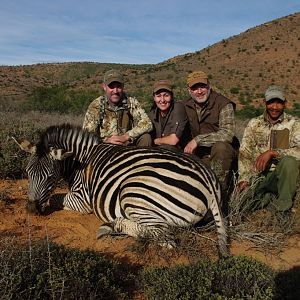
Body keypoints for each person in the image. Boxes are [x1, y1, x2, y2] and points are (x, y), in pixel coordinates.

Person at [237, 85, 300, 212]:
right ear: (264, 102)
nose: (275, 107)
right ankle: (266, 197)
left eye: (279, 103)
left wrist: (273, 152)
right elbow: (245, 153)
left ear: (285, 104)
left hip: (283, 177)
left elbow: (298, 150)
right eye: (271, 102)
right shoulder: (254, 123)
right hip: (258, 176)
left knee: (289, 161)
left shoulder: (294, 123)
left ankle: (283, 208)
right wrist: (243, 179)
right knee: (243, 206)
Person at [182, 70, 238, 194]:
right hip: (197, 155)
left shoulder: (224, 104)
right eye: (195, 88)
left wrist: (198, 140)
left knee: (221, 147)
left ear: (209, 86)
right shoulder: (183, 105)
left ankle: (220, 193)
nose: (199, 91)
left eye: (202, 86)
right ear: (189, 90)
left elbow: (227, 134)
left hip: (220, 156)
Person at [83, 69, 152, 146]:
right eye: (111, 87)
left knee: (146, 137)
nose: (115, 91)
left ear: (123, 87)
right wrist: (106, 140)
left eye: (118, 87)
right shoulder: (96, 105)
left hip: (127, 144)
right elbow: (87, 134)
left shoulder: (131, 102)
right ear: (104, 87)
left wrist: (126, 136)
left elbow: (147, 124)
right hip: (105, 147)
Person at [148, 80, 190, 150]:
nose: (162, 100)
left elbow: (173, 140)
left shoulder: (178, 108)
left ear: (172, 96)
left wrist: (155, 141)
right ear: (154, 98)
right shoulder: (152, 114)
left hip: (178, 152)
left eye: (166, 95)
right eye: (158, 96)